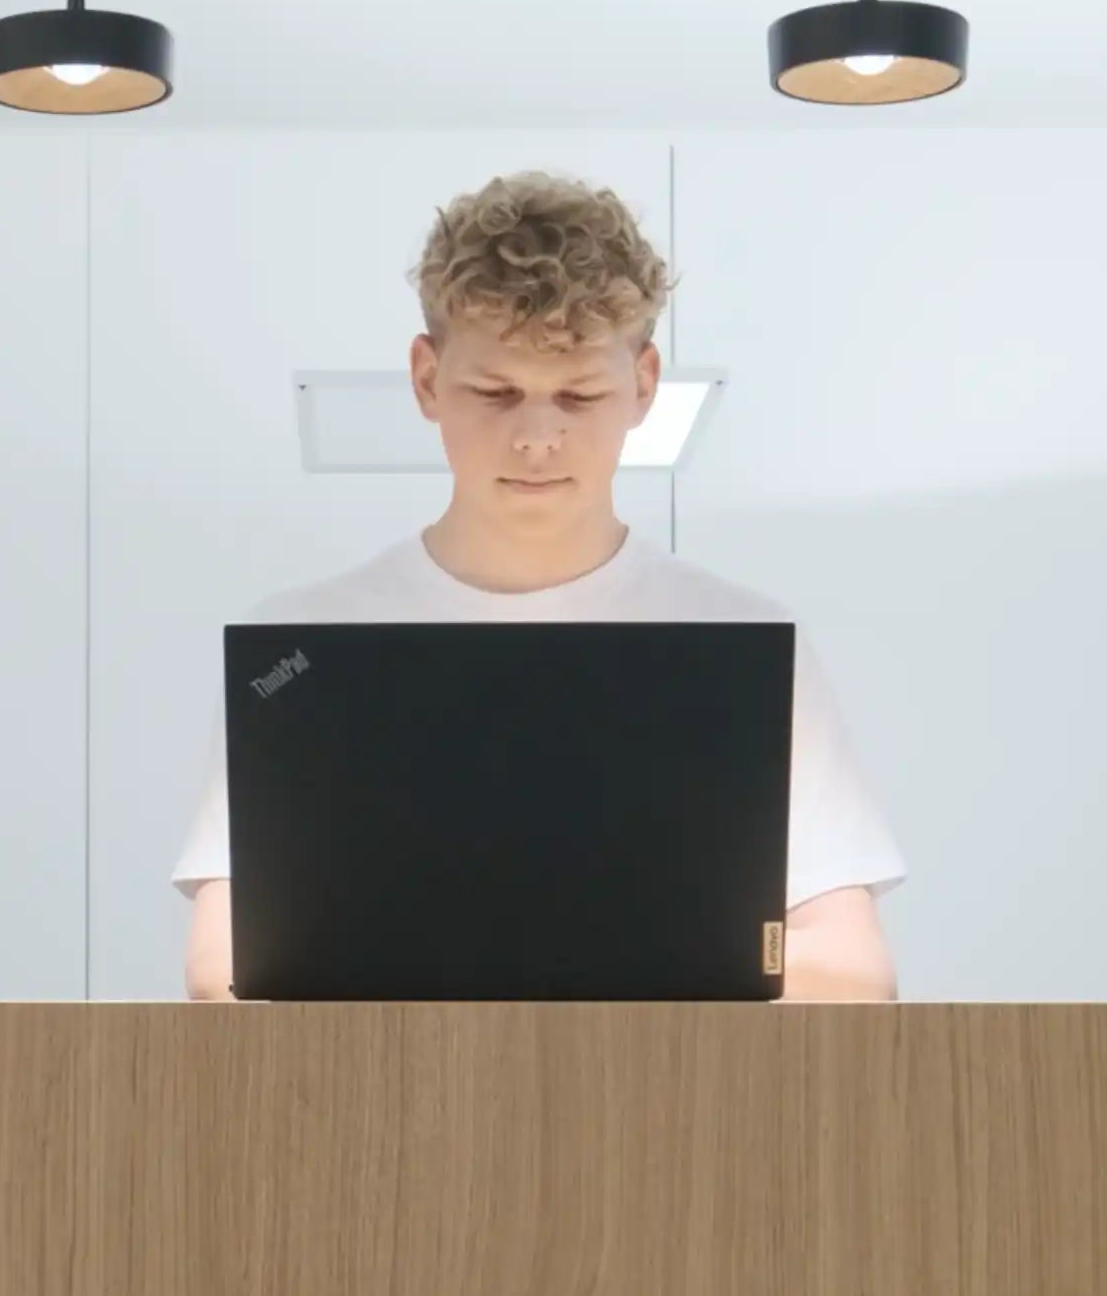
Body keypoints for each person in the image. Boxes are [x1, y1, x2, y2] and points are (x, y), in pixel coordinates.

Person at [176, 171, 905, 1001]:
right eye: (496, 393)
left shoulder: (744, 640)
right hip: (378, 1112)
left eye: (578, 394)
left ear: (642, 384)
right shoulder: (301, 646)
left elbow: (855, 976)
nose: (536, 438)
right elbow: (220, 968)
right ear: (425, 379)